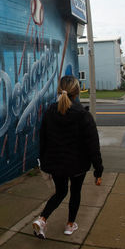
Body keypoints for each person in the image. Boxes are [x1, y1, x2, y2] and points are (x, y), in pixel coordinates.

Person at [32, 75, 103, 239]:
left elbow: (43, 139)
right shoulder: (83, 115)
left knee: (60, 192)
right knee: (75, 192)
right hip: (78, 165)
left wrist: (44, 162)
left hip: (56, 164)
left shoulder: (50, 111)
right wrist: (98, 170)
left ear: (60, 90)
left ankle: (42, 219)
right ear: (77, 92)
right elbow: (93, 145)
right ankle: (70, 226)